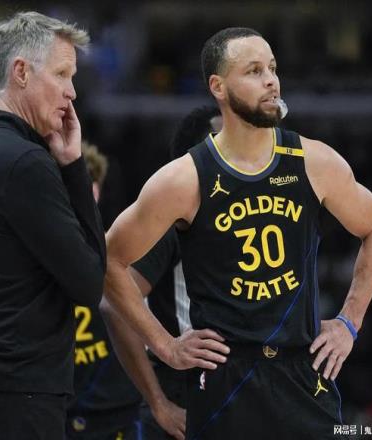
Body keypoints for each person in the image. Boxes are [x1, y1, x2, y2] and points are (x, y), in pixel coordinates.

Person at [103, 27, 372, 439]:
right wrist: (166, 345)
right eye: (254, 71)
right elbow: (110, 260)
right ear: (218, 87)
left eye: (272, 68)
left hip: (302, 372)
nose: (271, 80)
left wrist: (349, 321)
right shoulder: (183, 178)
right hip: (225, 379)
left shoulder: (314, 161)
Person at [0, 11, 105, 440]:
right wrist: (74, 166)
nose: (72, 92)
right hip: (14, 399)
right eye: (62, 74)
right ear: (21, 72)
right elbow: (90, 282)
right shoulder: (24, 163)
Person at [100, 106, 222, 440]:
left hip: (240, 386)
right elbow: (113, 305)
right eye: (223, 139)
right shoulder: (172, 220)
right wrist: (158, 401)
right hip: (185, 390)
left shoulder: (250, 214)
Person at [67, 142, 142, 440]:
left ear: (96, 191)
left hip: (115, 406)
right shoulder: (37, 249)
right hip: (58, 405)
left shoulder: (120, 249)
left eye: (87, 184)